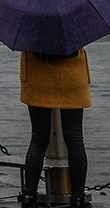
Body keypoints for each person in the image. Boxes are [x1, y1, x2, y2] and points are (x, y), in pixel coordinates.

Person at [19, 48, 92, 208]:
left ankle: (29, 197)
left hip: (37, 76)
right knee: (75, 139)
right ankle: (78, 198)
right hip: (72, 77)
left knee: (38, 138)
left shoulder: (31, 22)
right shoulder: (73, 21)